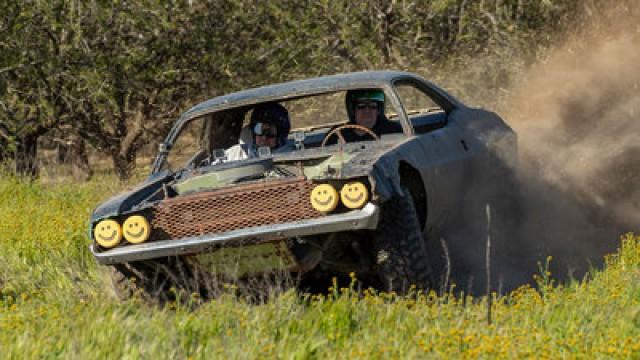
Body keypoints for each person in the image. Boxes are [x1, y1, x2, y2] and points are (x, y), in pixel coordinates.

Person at [326, 89, 401, 144]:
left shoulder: (393, 130)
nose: (367, 111)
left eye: (372, 106)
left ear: (379, 110)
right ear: (353, 110)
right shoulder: (337, 134)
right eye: (361, 106)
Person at [225, 102, 291, 161]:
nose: (264, 137)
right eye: (259, 130)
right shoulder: (236, 154)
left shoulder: (291, 154)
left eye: (270, 132)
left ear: (280, 135)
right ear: (253, 133)